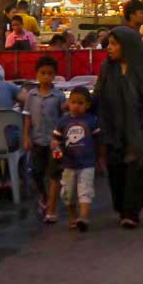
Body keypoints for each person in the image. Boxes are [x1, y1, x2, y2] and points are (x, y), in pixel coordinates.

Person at [97, 26, 143, 228]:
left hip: (140, 127)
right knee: (116, 170)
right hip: (114, 127)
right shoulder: (107, 69)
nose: (109, 48)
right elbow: (99, 96)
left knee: (136, 168)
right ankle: (122, 209)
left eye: (114, 44)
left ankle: (132, 212)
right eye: (109, 44)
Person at [23, 56, 65, 223]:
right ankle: (44, 195)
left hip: (53, 142)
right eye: (43, 73)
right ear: (37, 75)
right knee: (36, 172)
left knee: (54, 173)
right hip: (37, 140)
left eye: (50, 73)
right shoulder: (31, 95)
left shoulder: (59, 96)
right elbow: (26, 117)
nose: (46, 76)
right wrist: (26, 136)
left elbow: (63, 118)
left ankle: (51, 206)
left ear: (54, 76)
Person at [52, 86, 100, 232]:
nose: (76, 106)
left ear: (87, 105)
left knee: (85, 191)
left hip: (87, 164)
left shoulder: (92, 120)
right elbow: (55, 139)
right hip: (68, 164)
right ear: (68, 103)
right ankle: (73, 216)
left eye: (80, 103)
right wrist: (54, 145)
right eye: (73, 102)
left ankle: (83, 217)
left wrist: (100, 159)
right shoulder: (63, 121)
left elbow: (98, 141)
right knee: (68, 194)